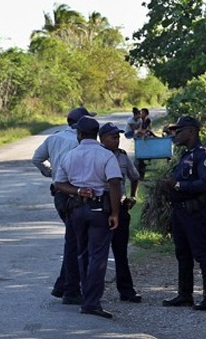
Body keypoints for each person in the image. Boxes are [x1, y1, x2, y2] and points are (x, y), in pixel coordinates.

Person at [54, 116, 123, 319]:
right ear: (96, 134)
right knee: (97, 256)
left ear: (79, 134)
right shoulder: (106, 155)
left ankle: (85, 295)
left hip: (76, 210)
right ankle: (91, 302)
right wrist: (115, 213)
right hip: (99, 210)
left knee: (82, 254)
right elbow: (114, 183)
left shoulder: (69, 156)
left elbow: (59, 184)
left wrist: (77, 190)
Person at [31, 106, 95, 305]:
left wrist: (51, 173)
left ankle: (63, 285)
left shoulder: (54, 138)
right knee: (76, 242)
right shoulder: (81, 142)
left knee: (73, 239)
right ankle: (70, 289)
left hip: (59, 193)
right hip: (75, 194)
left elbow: (37, 159)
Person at [161, 115, 206, 311]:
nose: (176, 135)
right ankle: (185, 295)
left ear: (191, 131)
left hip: (195, 211)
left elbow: (205, 183)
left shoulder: (203, 155)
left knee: (201, 253)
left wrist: (178, 185)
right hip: (180, 212)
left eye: (179, 131)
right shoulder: (186, 155)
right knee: (182, 254)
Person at [98, 122, 142, 303]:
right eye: (113, 137)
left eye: (118, 137)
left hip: (121, 205)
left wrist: (133, 196)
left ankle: (126, 290)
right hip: (101, 206)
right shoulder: (96, 155)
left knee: (120, 251)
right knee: (97, 252)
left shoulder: (122, 156)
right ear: (102, 139)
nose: (117, 140)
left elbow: (135, 176)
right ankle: (93, 291)